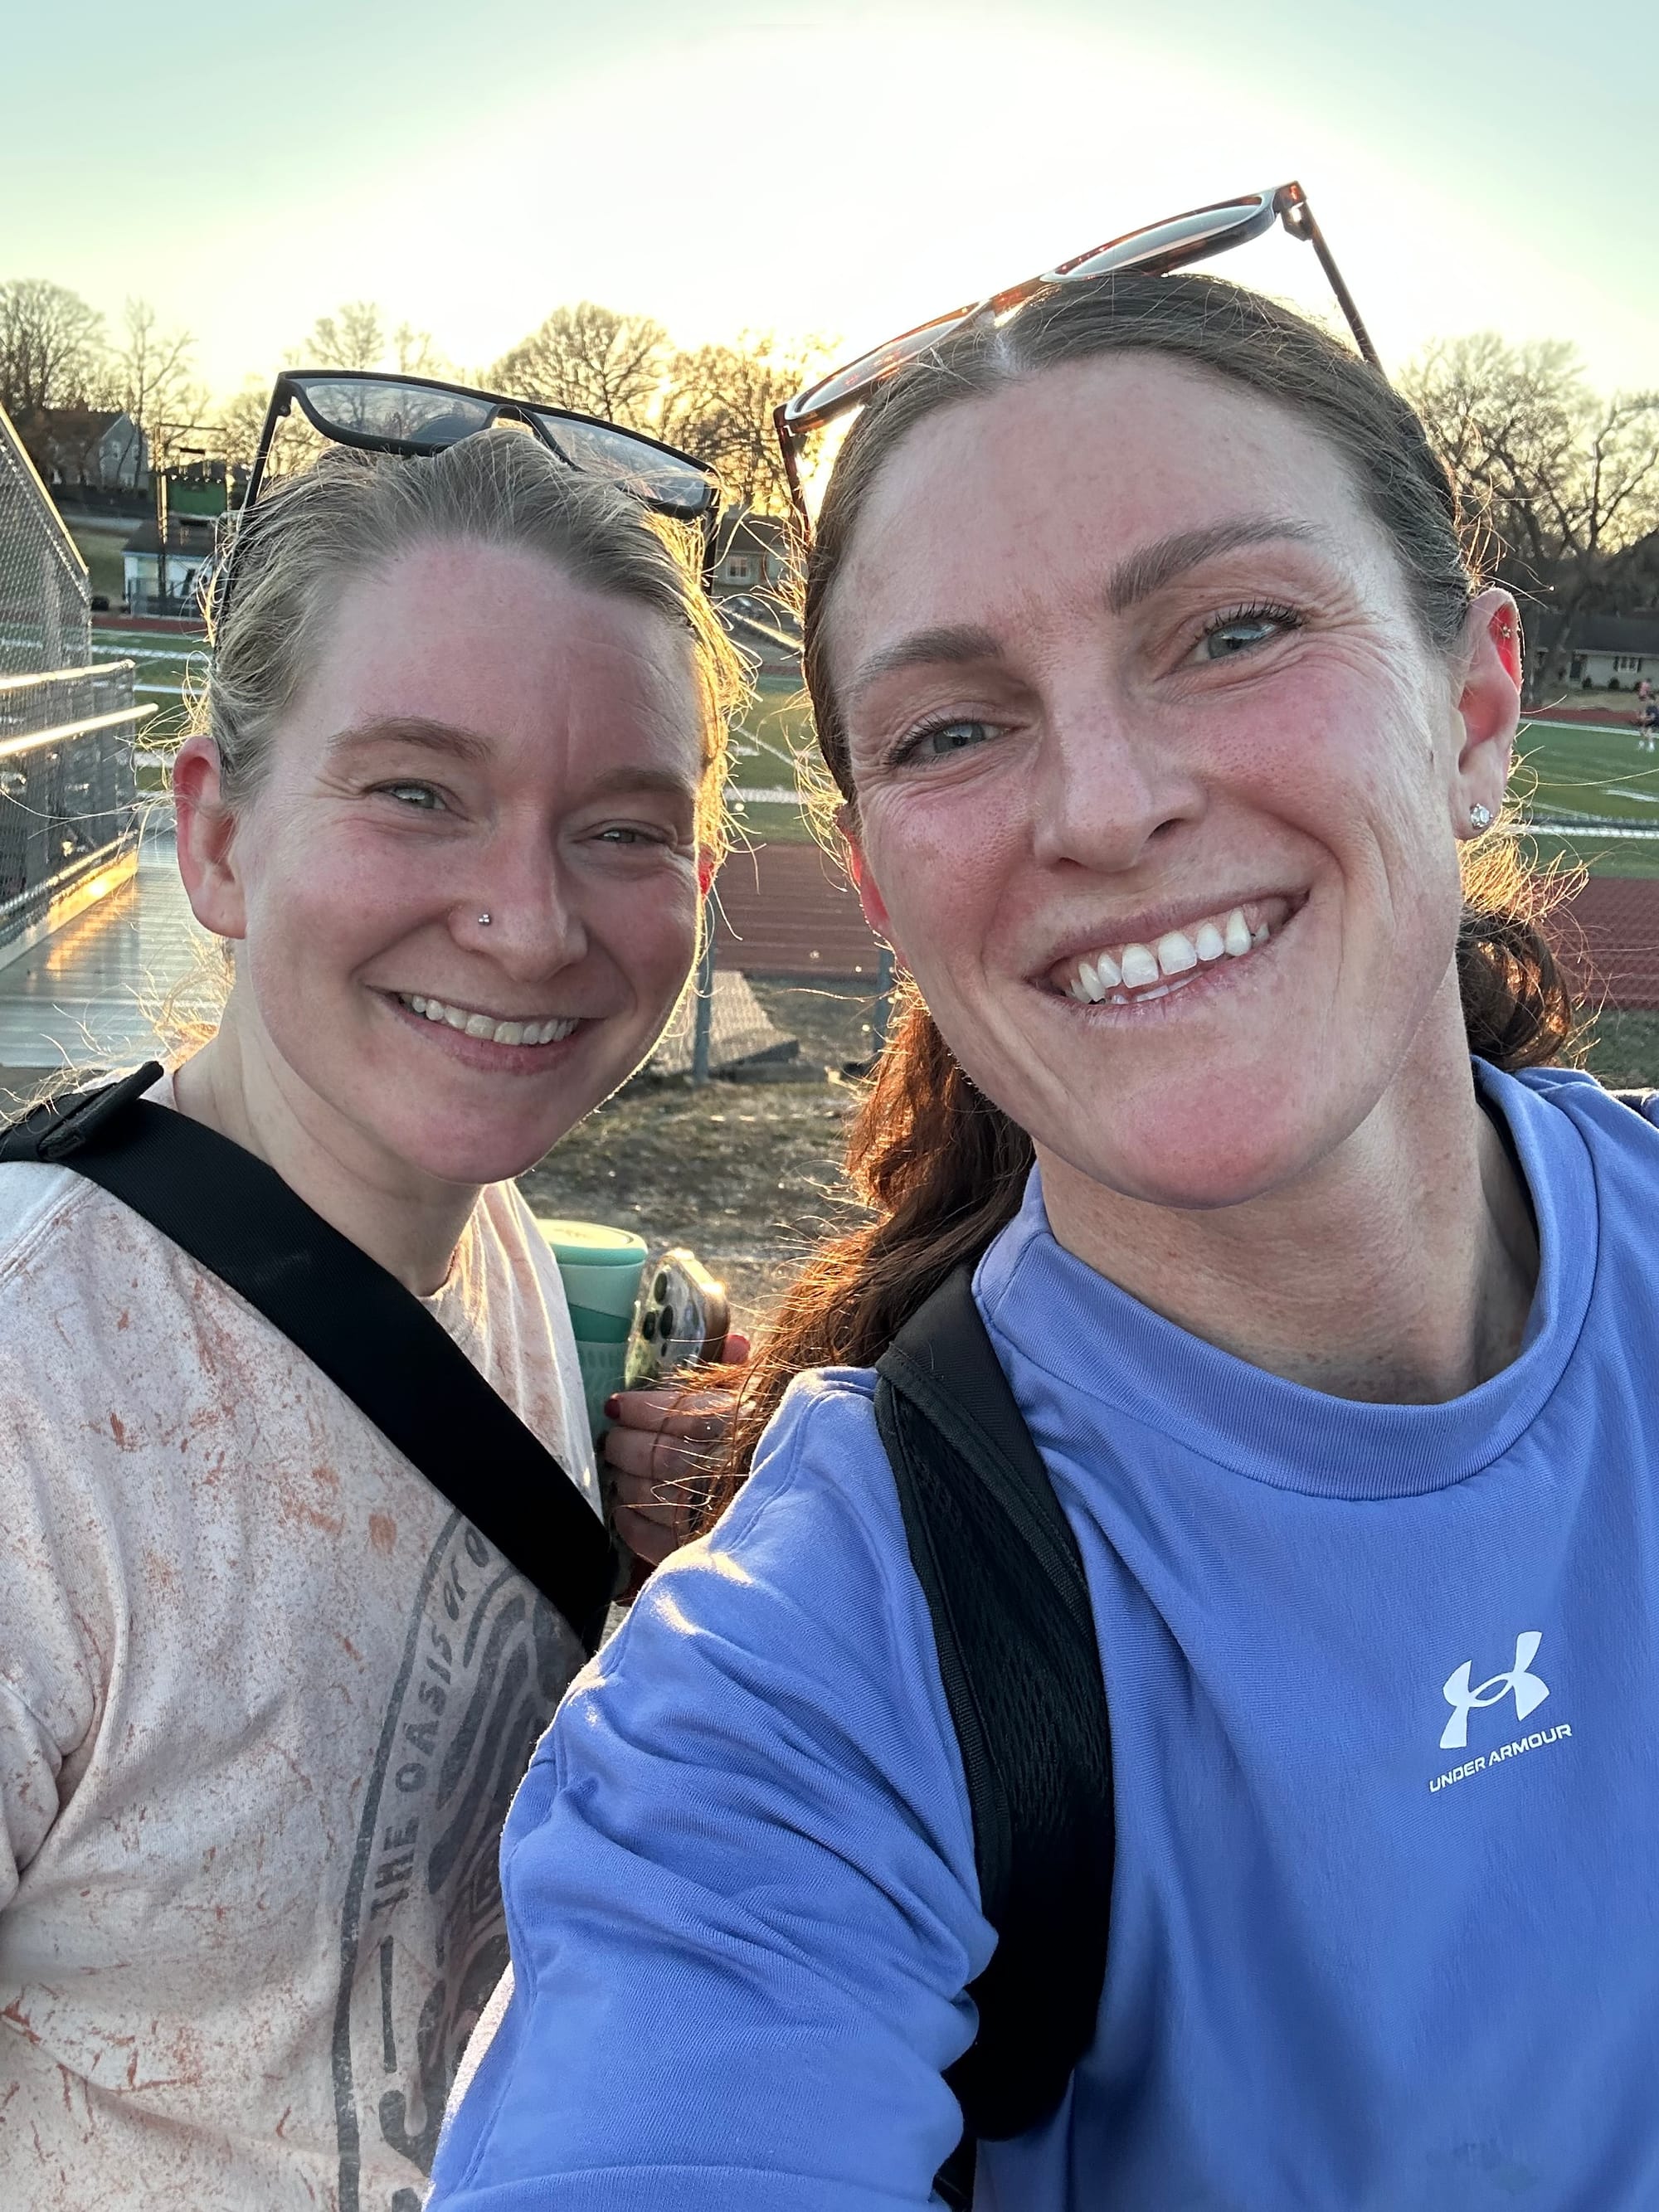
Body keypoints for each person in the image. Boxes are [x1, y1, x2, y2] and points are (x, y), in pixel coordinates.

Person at [431, 270, 1659, 2210]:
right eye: (950, 729)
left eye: (1234, 629)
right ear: (876, 880)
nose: (1101, 804)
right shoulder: (807, 1675)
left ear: (1473, 702)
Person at [0, 422, 742, 2209]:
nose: (529, 923)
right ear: (217, 835)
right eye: (417, 791)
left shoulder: (491, 1244)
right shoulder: (32, 1390)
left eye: (624, 828)